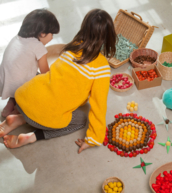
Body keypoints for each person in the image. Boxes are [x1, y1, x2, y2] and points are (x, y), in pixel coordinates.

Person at [0, 9, 117, 154]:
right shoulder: (102, 67)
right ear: (108, 36)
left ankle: (18, 119)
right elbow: (98, 105)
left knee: (46, 92)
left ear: (84, 27)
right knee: (80, 119)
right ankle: (31, 137)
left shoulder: (73, 46)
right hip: (40, 116)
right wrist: (93, 138)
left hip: (23, 97)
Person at [0, 9, 60, 117]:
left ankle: (8, 107)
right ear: (42, 34)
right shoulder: (38, 47)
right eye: (52, 34)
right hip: (20, 88)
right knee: (41, 87)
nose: (52, 38)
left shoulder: (17, 38)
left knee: (18, 78)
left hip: (5, 81)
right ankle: (17, 112)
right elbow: (45, 73)